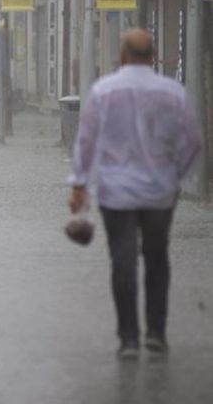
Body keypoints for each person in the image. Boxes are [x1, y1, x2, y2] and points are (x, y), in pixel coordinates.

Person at [68, 29, 201, 359]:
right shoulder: (173, 92)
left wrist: (79, 184)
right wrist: (176, 177)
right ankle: (156, 332)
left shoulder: (103, 91)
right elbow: (194, 142)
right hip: (160, 191)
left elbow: (85, 142)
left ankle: (128, 339)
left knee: (122, 261)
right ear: (153, 57)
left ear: (123, 56)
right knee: (157, 258)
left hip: (116, 192)